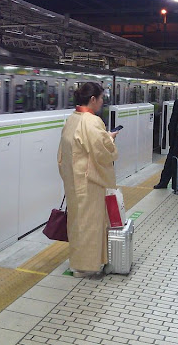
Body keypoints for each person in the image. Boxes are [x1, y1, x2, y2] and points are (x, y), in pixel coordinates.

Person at [57, 82, 119, 279]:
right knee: (90, 223)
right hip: (89, 182)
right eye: (100, 99)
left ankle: (78, 262)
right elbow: (102, 152)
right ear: (93, 99)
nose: (102, 102)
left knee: (77, 223)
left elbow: (62, 154)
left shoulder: (72, 119)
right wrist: (110, 139)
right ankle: (86, 266)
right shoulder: (91, 121)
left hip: (73, 180)